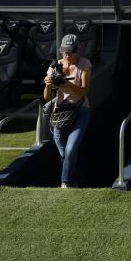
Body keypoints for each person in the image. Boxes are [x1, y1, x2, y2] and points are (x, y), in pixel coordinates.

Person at [43, 33, 92, 188]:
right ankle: (75, 179)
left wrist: (66, 82)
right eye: (65, 51)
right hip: (60, 113)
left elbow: (84, 91)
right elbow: (46, 97)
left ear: (78, 50)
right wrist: (48, 85)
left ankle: (65, 183)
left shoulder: (85, 64)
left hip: (80, 110)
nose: (67, 55)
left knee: (71, 149)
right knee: (64, 153)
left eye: (70, 51)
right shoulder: (54, 66)